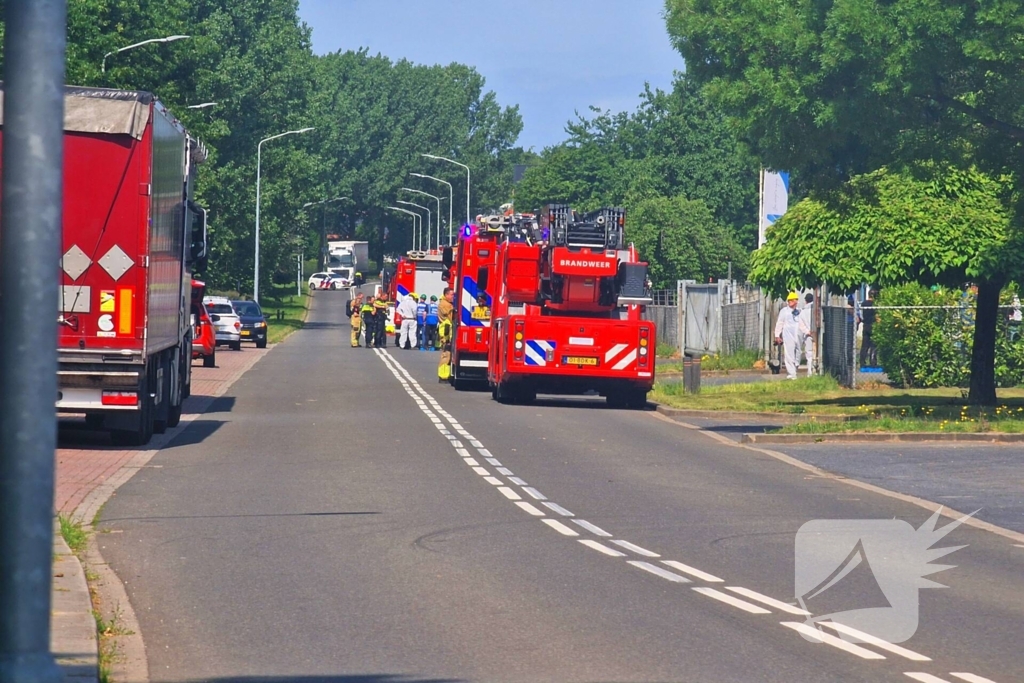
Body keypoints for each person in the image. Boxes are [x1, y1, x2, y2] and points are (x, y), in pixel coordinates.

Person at [774, 292, 811, 380]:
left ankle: (795, 368)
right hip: (788, 336)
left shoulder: (800, 311)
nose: (790, 302)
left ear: (796, 301)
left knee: (798, 352)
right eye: (789, 300)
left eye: (792, 300)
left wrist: (806, 331)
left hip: (799, 335)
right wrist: (777, 335)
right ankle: (791, 373)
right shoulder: (784, 311)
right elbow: (779, 323)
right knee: (789, 354)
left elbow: (803, 323)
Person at [859, 288, 878, 368]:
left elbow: (861, 315)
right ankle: (873, 362)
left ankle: (862, 362)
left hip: (866, 325)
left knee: (864, 345)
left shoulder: (863, 304)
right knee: (874, 346)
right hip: (873, 325)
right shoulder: (876, 305)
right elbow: (877, 316)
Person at [799, 292, 815, 376]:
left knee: (809, 354)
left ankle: (810, 372)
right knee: (817, 353)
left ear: (805, 301)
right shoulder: (817, 310)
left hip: (808, 335)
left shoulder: (803, 312)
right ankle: (817, 371)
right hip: (817, 334)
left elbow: (801, 325)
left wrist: (807, 331)